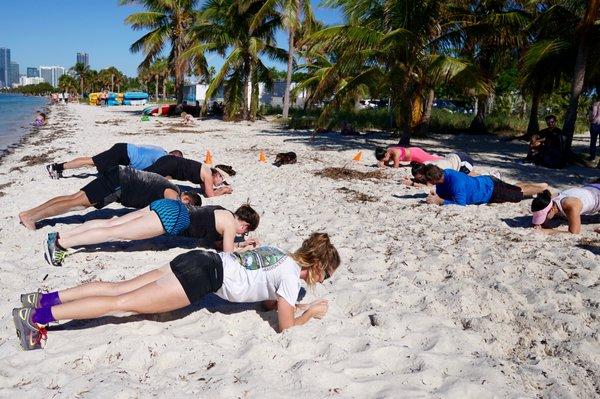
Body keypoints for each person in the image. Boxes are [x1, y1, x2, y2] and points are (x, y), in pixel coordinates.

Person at [13, 232, 341, 350]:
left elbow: (267, 297)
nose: (323, 280)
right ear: (316, 264)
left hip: (200, 259)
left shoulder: (278, 253)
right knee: (122, 302)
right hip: (202, 277)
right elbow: (284, 326)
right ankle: (38, 317)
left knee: (118, 287)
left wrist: (283, 302)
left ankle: (42, 299)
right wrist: (309, 312)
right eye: (325, 273)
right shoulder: (290, 277)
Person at [44, 203, 260, 266]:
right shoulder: (231, 225)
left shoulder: (222, 211)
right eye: (246, 231)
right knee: (116, 233)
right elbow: (228, 256)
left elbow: (218, 244)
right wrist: (244, 250)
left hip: (169, 206)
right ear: (245, 224)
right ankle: (62, 245)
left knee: (114, 223)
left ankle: (61, 235)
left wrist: (243, 245)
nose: (242, 233)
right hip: (173, 219)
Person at [18, 166, 200, 230]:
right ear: (187, 200)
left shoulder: (170, 185)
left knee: (73, 198)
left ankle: (29, 213)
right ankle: (31, 217)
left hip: (119, 174)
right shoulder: (174, 193)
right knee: (77, 204)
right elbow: (168, 202)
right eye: (188, 206)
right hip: (119, 183)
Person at [422, 164, 548, 206]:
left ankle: (542, 188)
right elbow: (443, 194)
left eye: (430, 182)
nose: (428, 184)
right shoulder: (444, 174)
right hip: (486, 182)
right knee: (513, 187)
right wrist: (437, 196)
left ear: (435, 179)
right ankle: (539, 184)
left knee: (519, 193)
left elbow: (461, 204)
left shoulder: (456, 182)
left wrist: (441, 201)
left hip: (491, 190)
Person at [45, 143, 183, 179]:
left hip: (125, 149)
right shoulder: (162, 158)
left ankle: (58, 167)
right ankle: (56, 167)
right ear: (173, 156)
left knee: (92, 161)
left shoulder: (160, 149)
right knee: (90, 161)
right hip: (124, 153)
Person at [145, 155, 234, 197]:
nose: (221, 184)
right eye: (222, 181)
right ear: (218, 174)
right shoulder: (208, 176)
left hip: (170, 161)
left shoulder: (207, 171)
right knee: (142, 177)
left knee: (143, 175)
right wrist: (223, 190)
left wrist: (218, 189)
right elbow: (209, 195)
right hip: (171, 164)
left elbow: (205, 190)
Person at [531, 185, 600, 234]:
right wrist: (543, 223)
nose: (543, 220)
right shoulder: (549, 200)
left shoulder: (570, 205)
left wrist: (548, 231)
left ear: (552, 209)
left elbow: (574, 232)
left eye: (544, 217)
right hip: (591, 188)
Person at [401, 152, 476, 186]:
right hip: (453, 156)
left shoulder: (432, 171)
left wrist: (412, 183)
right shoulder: (425, 165)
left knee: (472, 181)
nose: (421, 180)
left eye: (421, 178)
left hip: (462, 161)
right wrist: (412, 179)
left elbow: (429, 185)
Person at [375, 146, 442, 168]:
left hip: (416, 154)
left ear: (386, 154)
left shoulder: (395, 153)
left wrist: (383, 166)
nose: (383, 161)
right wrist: (383, 164)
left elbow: (396, 166)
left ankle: (442, 157)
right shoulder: (387, 152)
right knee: (429, 157)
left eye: (382, 159)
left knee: (433, 159)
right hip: (413, 152)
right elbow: (387, 163)